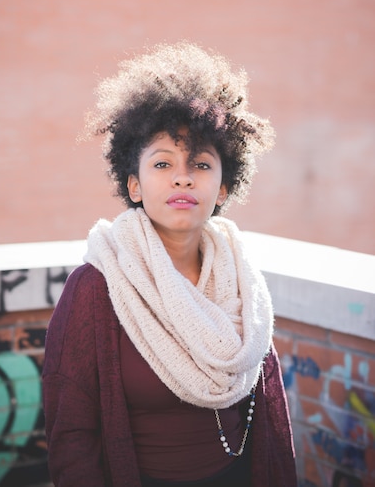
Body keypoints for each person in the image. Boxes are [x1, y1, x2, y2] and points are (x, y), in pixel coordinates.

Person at [42, 41, 297, 487]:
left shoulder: (242, 280)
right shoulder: (97, 287)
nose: (183, 176)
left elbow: (268, 413)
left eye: (200, 163)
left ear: (222, 189)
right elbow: (72, 435)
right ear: (135, 185)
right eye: (163, 163)